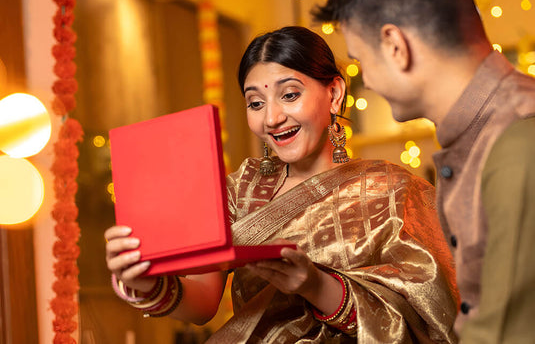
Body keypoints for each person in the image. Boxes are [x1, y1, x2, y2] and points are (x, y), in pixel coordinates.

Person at [105, 26, 459, 343]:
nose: (272, 118)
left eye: (289, 95)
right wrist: (147, 284)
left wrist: (316, 286)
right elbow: (203, 304)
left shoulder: (394, 190)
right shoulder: (240, 189)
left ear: (334, 93)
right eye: (255, 103)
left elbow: (431, 318)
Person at [312, 0, 535, 342]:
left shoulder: (515, 143)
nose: (366, 80)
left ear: (395, 46)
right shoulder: (484, 135)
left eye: (361, 60)